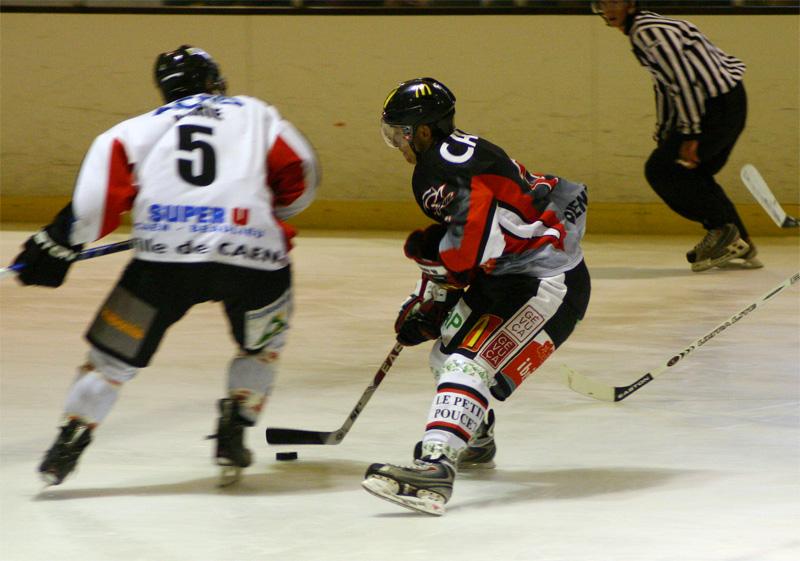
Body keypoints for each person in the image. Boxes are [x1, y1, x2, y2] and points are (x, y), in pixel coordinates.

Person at [11, 45, 319, 487]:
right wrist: (265, 213)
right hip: (256, 259)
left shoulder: (133, 131)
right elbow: (301, 177)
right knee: (261, 348)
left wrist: (55, 244)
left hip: (163, 263)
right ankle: (235, 427)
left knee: (109, 362)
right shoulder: (256, 114)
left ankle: (68, 442)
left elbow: (93, 208)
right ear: (214, 80)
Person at [361, 78, 591, 515]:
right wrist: (430, 294)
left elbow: (468, 254)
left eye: (402, 133)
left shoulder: (435, 171)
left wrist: (436, 290)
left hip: (545, 282)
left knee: (468, 363)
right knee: (444, 352)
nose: (399, 144)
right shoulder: (458, 151)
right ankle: (475, 439)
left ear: (424, 131)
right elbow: (471, 238)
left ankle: (435, 468)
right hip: (512, 274)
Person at [592, 0, 761, 272]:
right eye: (603, 3)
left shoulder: (647, 31)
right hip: (723, 102)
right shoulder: (648, 28)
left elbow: (683, 81)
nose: (608, 9)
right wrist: (666, 130)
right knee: (694, 173)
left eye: (615, 1)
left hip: (715, 106)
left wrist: (691, 132)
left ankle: (724, 231)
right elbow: (667, 84)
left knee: (661, 169)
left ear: (631, 3)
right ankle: (739, 241)